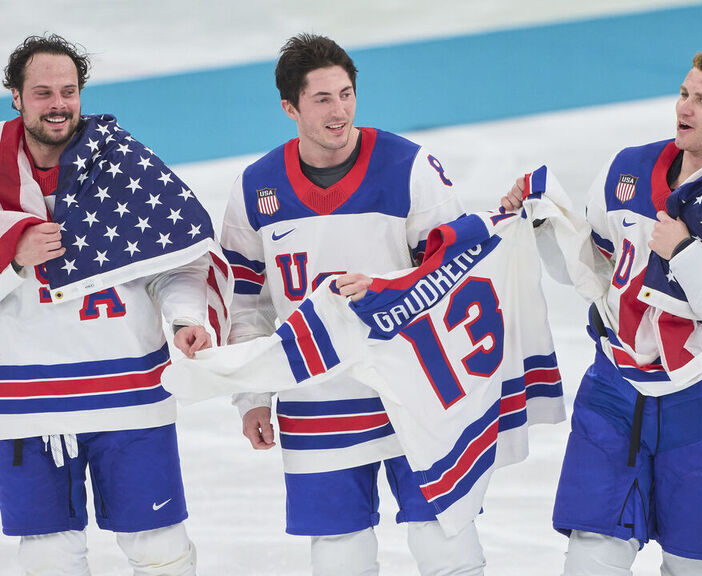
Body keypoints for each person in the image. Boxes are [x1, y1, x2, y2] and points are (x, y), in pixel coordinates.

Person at [221, 33, 486, 575]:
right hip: (316, 395)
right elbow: (246, 303)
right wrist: (252, 396)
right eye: (322, 99)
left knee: (445, 540)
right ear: (290, 107)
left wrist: (389, 290)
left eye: (346, 94)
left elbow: (459, 273)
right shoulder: (255, 188)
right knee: (339, 553)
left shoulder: (410, 167)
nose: (339, 111)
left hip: (414, 388)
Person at [503, 49, 702, 575]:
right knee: (589, 557)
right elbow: (595, 273)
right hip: (614, 389)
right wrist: (544, 222)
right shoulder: (627, 168)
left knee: (694, 567)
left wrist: (685, 253)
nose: (684, 107)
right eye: (684, 93)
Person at [0, 34, 229, 575]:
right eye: (42, 92)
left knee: (160, 548)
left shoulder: (125, 166)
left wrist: (186, 318)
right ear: (16, 97)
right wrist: (12, 256)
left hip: (129, 392)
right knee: (48, 556)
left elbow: (177, 261)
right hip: (28, 399)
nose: (58, 104)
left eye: (68, 91)